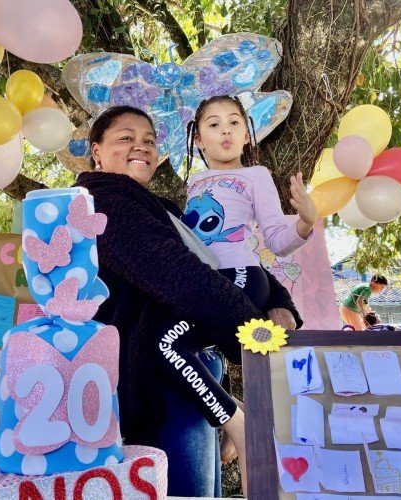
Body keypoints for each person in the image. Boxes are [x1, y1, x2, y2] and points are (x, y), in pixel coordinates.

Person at [74, 105, 302, 497]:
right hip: (159, 384)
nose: (140, 146)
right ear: (96, 150)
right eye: (125, 137)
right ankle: (238, 423)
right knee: (187, 492)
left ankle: (233, 419)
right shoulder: (102, 201)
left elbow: (225, 260)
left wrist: (278, 301)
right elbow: (179, 275)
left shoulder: (160, 208)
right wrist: (250, 331)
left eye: (149, 139)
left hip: (194, 376)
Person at [182, 95, 318, 311]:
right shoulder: (195, 181)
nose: (226, 130)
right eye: (214, 124)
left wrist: (307, 222)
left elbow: (278, 243)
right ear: (198, 140)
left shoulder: (257, 175)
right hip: (201, 276)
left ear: (246, 135)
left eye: (234, 122)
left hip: (242, 272)